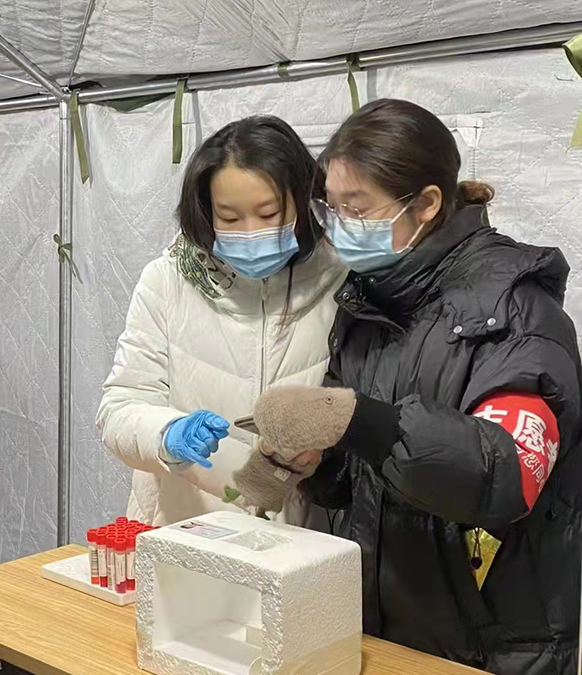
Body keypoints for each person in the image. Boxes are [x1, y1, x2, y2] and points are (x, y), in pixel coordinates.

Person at [237, 99, 580, 675]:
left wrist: (366, 422)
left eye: (357, 207)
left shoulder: (513, 310)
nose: (340, 224)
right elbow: (358, 481)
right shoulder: (370, 301)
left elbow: (509, 474)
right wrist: (317, 462)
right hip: (376, 623)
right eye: (332, 206)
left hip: (486, 644)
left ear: (426, 204)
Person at [96, 116, 347, 526]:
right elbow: (119, 406)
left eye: (268, 214)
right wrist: (167, 434)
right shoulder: (170, 280)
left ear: (304, 204)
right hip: (184, 528)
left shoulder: (341, 280)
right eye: (229, 218)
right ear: (205, 211)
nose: (250, 232)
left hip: (302, 539)